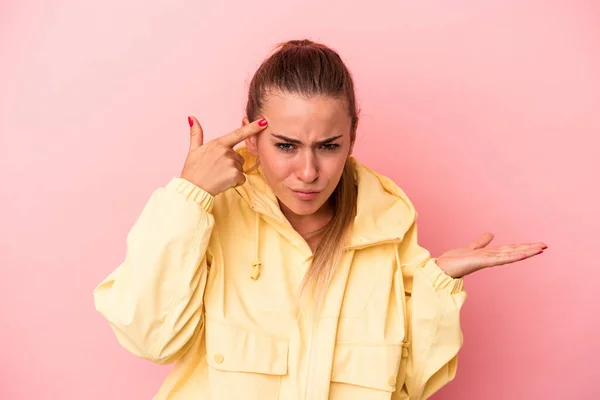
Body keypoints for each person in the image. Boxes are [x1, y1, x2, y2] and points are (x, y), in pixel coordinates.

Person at [93, 39, 547, 400]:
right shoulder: (210, 215)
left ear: (352, 135)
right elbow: (152, 340)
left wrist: (436, 287)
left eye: (328, 146)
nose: (308, 173)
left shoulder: (386, 226)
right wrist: (187, 198)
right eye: (286, 145)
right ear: (252, 136)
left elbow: (412, 386)